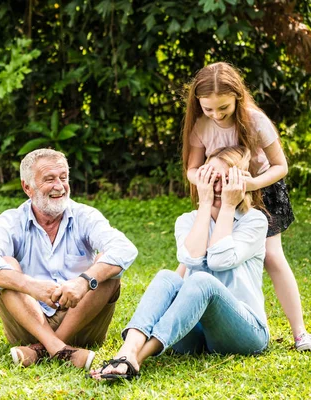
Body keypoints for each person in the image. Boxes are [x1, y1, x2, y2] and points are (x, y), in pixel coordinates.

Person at [90, 146, 270, 381]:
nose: (218, 187)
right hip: (195, 336)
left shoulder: (254, 220)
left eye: (227, 180)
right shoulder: (187, 221)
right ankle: (127, 351)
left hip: (245, 334)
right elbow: (192, 258)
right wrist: (205, 205)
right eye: (212, 179)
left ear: (240, 183)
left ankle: (136, 358)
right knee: (167, 276)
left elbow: (219, 260)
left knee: (201, 280)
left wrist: (227, 206)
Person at [179, 62, 309, 351]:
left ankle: (300, 333)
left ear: (237, 96)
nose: (216, 114)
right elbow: (191, 168)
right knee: (194, 253)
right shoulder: (200, 124)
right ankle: (175, 311)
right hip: (217, 190)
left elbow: (281, 167)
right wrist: (201, 178)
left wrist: (250, 185)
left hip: (261, 190)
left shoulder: (254, 120)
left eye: (222, 108)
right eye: (208, 109)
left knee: (273, 256)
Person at [0, 148, 138, 370]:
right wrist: (30, 285)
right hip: (28, 322)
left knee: (107, 267)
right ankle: (59, 349)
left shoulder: (85, 215)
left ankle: (42, 349)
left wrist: (84, 281)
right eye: (49, 179)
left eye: (63, 178)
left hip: (82, 321)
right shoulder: (11, 221)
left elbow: (125, 249)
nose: (59, 186)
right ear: (27, 187)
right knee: (6, 269)